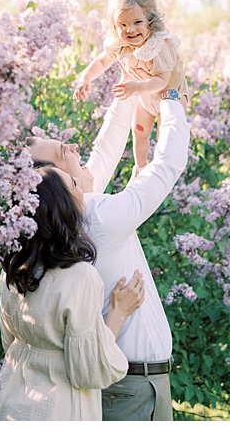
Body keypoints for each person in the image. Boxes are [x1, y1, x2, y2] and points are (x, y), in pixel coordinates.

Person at [27, 90, 191, 420]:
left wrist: (130, 85)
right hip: (128, 387)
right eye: (64, 151)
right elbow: (168, 164)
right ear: (56, 182)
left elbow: (105, 150)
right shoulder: (98, 216)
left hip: (134, 384)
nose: (74, 147)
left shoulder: (72, 217)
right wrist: (170, 95)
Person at [0, 167, 147, 421]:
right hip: (56, 409)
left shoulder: (13, 270)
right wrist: (118, 313)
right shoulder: (79, 277)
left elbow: (9, 343)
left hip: (6, 404)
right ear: (62, 205)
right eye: (74, 185)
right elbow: (90, 371)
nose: (83, 191)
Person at [74, 0, 188, 172]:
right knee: (139, 131)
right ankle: (140, 167)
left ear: (150, 21)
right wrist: (85, 79)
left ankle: (160, 170)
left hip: (170, 96)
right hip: (145, 96)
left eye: (137, 22)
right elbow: (102, 62)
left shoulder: (159, 45)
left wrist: (135, 87)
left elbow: (161, 80)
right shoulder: (122, 45)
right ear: (115, 25)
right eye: (123, 25)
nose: (130, 30)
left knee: (165, 135)